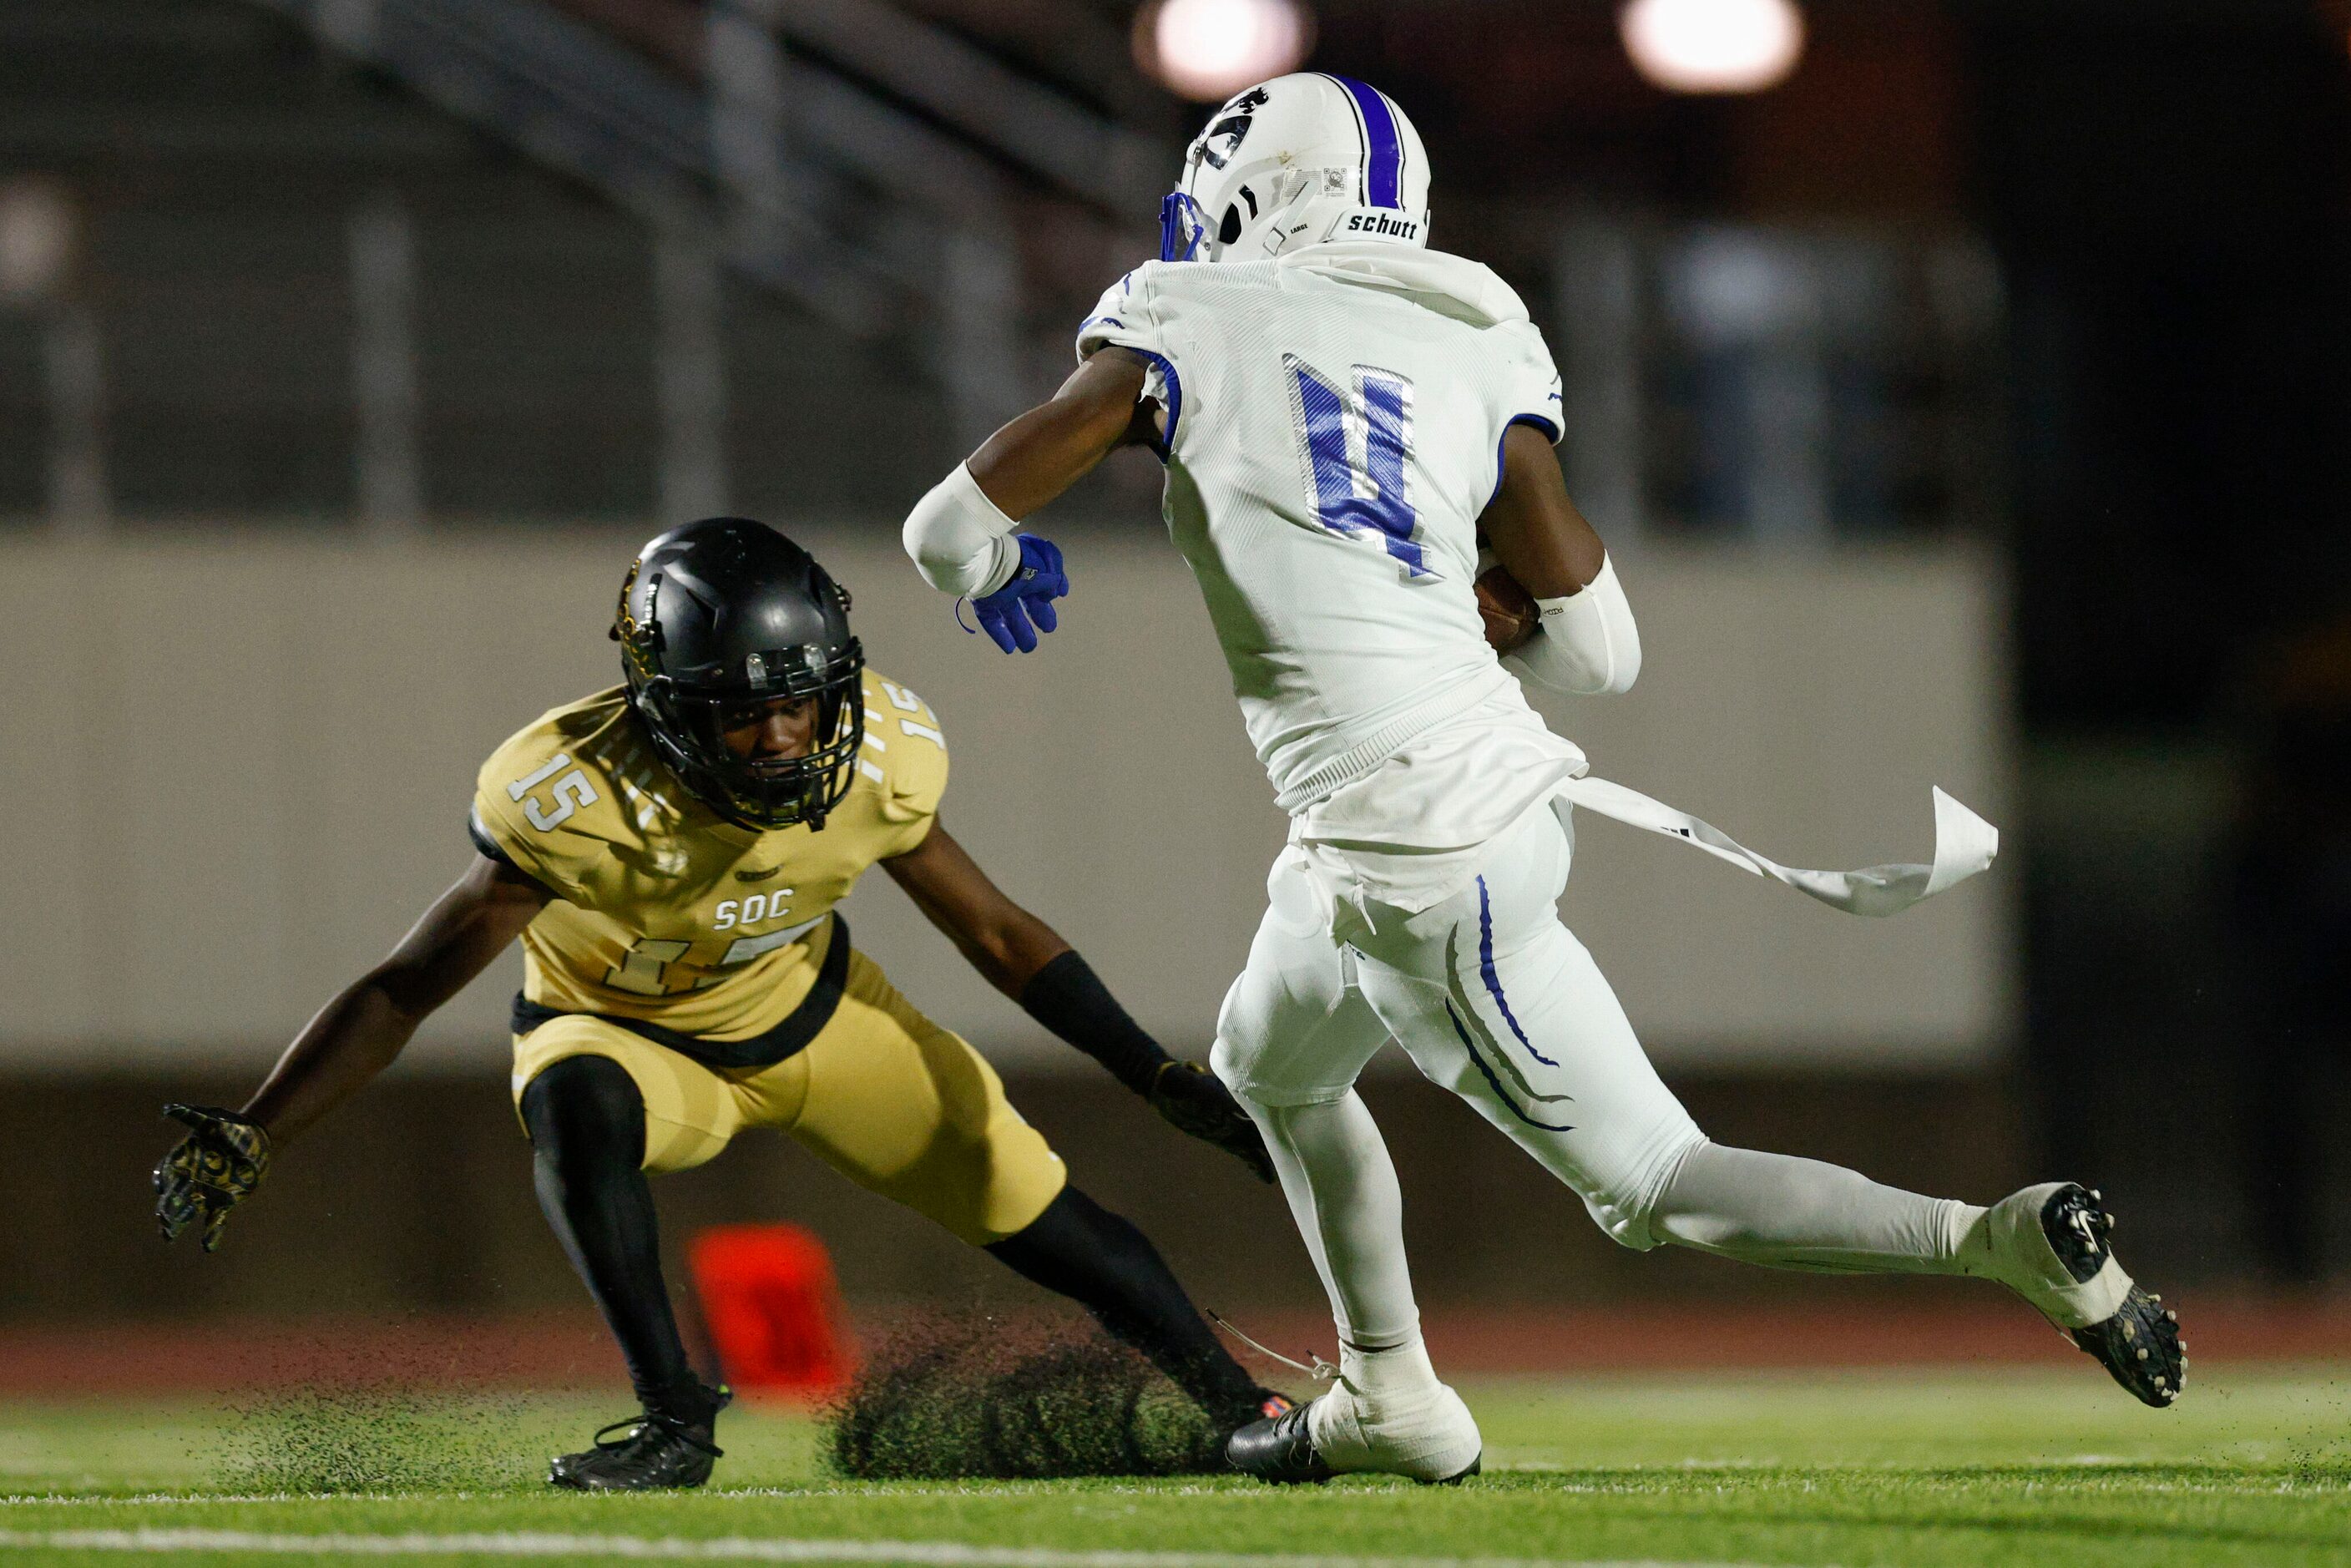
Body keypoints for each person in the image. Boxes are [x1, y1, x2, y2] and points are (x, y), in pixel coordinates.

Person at [899, 75, 2185, 1485]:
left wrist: (989, 564)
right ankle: (1390, 1389)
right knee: (1270, 1061)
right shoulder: (1471, 320)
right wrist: (1474, 604)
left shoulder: (1186, 310)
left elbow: (951, 517)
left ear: (1256, 190)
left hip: (1418, 847)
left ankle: (1998, 1239)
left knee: (1655, 1187)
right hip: (1429, 818)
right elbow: (1605, 649)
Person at [154, 518, 1287, 1490]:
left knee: (1044, 1212)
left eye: (804, 702)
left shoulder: (883, 750)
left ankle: (1242, 1409)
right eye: (747, 713)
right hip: (627, 1035)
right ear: (662, 702)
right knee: (576, 1102)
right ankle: (671, 1416)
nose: (787, 736)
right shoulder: (571, 791)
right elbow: (408, 985)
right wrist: (265, 1120)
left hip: (819, 1015)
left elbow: (993, 929)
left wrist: (1152, 1071)